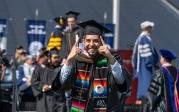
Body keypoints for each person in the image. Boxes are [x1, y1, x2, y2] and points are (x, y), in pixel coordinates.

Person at [60, 20, 127, 111]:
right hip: (82, 108)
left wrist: (110, 57)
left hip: (107, 107)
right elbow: (62, 82)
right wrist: (68, 61)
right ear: (83, 41)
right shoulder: (77, 59)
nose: (91, 44)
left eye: (96, 41)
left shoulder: (111, 58)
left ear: (101, 41)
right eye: (88, 40)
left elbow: (121, 81)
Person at [132, 20, 159, 102]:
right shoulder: (144, 39)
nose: (152, 30)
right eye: (151, 28)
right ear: (147, 28)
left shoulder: (141, 38)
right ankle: (144, 101)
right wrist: (151, 62)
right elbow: (147, 55)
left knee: (143, 84)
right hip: (145, 65)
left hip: (143, 65)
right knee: (145, 85)